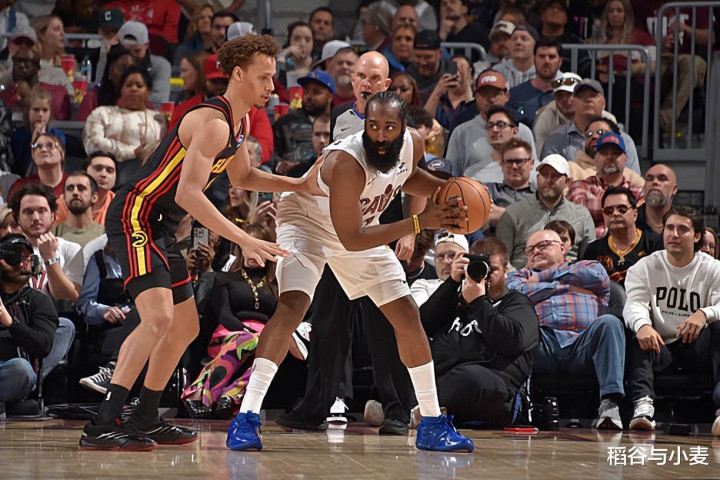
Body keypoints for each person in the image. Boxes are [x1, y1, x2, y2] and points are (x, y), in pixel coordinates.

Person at [78, 34, 320, 452]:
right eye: (264, 77)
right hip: (137, 214)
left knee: (186, 326)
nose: (272, 86)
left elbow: (243, 177)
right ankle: (103, 421)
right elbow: (189, 194)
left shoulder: (239, 123)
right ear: (238, 74)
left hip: (161, 225)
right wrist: (244, 238)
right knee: (158, 319)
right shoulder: (214, 123)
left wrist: (297, 183)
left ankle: (145, 416)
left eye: (273, 78)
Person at [227, 91, 474, 453]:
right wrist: (420, 221)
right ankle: (246, 417)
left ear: (403, 127)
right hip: (307, 222)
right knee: (293, 306)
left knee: (406, 313)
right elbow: (352, 239)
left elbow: (407, 177)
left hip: (357, 226)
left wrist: (450, 191)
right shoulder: (346, 162)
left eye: (389, 127)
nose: (380, 135)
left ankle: (433, 423)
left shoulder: (412, 144)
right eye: (373, 126)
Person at [507, 229, 626, 430]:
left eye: (542, 245)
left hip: (585, 343)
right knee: (519, 329)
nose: (536, 251)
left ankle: (609, 407)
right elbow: (516, 292)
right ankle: (521, 406)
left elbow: (597, 277)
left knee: (610, 323)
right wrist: (567, 287)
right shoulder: (520, 275)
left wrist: (546, 277)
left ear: (562, 248)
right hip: (542, 344)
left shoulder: (587, 266)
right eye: (530, 250)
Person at [419, 237, 539, 426]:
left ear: (506, 270)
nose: (485, 276)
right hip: (445, 378)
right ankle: (421, 408)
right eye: (478, 268)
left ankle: (419, 409)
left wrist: (478, 302)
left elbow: (513, 341)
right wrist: (452, 282)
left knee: (467, 378)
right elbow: (423, 325)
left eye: (492, 270)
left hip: (493, 386)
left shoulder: (517, 303)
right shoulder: (456, 300)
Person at [623, 206, 720, 435]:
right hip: (660, 347)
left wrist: (704, 314)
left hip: (698, 347)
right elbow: (634, 304)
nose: (674, 234)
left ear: (697, 236)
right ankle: (643, 407)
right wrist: (642, 325)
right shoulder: (645, 266)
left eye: (682, 229)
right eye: (669, 228)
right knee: (638, 331)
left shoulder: (713, 268)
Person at [496, 154, 595, 270]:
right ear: (537, 177)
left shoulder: (582, 215)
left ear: (568, 182)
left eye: (555, 176)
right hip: (523, 276)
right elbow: (501, 259)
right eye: (544, 174)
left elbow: (589, 261)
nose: (548, 180)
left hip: (568, 277)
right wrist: (518, 277)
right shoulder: (514, 213)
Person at [0, 233, 60, 416]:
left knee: (21, 369)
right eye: (14, 257)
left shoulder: (38, 300)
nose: (21, 264)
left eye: (26, 258)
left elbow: (43, 345)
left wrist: (11, 323)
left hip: (11, 371)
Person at [82, 66, 166, 185]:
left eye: (139, 86)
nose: (134, 89)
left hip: (150, 177)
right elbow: (93, 144)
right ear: (121, 90)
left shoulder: (158, 119)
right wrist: (132, 152)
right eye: (128, 85)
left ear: (148, 91)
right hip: (108, 174)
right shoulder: (102, 113)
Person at [445, 70, 537, 176]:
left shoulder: (523, 131)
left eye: (496, 94)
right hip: (473, 185)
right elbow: (451, 174)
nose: (491, 99)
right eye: (485, 94)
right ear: (476, 97)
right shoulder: (461, 132)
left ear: (506, 96)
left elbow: (533, 172)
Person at [540, 78, 641, 175]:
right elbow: (548, 178)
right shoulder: (555, 140)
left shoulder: (624, 140)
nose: (588, 99)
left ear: (603, 103)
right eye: (581, 96)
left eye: (593, 95)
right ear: (573, 103)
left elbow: (633, 180)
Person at [566, 132, 645, 238]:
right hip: (590, 245)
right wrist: (624, 209)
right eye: (604, 153)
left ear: (625, 159)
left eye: (615, 153)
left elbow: (643, 216)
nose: (610, 157)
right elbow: (578, 212)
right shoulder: (579, 187)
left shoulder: (639, 191)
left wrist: (599, 207)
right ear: (595, 158)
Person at [582, 186, 663, 285]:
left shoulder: (656, 244)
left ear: (635, 214)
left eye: (622, 209)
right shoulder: (593, 250)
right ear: (603, 215)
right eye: (609, 211)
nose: (615, 214)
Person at [272, 70, 334, 173]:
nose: (309, 96)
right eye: (306, 91)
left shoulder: (338, 121)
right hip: (291, 176)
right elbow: (271, 153)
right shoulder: (285, 122)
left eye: (316, 92)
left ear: (330, 97)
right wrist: (280, 165)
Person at [569, 116, 644, 188]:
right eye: (589, 134)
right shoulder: (572, 169)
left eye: (600, 132)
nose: (594, 137)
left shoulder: (631, 177)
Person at [10, 86, 66, 178]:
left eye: (45, 110)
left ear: (50, 112)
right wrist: (34, 141)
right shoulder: (17, 136)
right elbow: (23, 167)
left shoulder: (58, 135)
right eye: (36, 110)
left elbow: (57, 164)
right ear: (27, 111)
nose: (40, 114)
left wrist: (42, 137)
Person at [506, 38, 563, 127]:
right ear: (534, 60)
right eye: (541, 56)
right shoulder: (515, 94)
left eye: (551, 57)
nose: (546, 61)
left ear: (560, 62)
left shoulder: (567, 96)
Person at [486, 137, 536, 229]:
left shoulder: (539, 196)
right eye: (509, 162)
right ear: (502, 164)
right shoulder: (487, 191)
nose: (514, 166)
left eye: (519, 161)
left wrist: (500, 214)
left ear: (531, 163)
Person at [117, 21, 172, 104]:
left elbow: (159, 100)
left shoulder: (160, 65)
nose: (131, 56)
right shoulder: (110, 62)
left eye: (137, 51)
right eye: (127, 51)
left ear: (146, 45)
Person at [410, 232, 468, 307]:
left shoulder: (477, 286)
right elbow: (423, 314)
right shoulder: (422, 285)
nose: (446, 261)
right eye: (440, 256)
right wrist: (452, 282)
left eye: (453, 255)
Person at [52, 172, 105, 248]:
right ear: (64, 197)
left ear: (94, 197)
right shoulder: (53, 235)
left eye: (81, 188)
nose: (75, 192)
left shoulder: (105, 235)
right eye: (70, 189)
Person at [405, 30, 455, 104]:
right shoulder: (408, 75)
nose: (422, 62)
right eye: (418, 56)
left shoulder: (452, 70)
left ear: (440, 53)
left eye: (428, 57)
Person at [493, 24, 539, 89]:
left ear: (536, 45)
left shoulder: (545, 72)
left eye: (524, 39)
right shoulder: (497, 71)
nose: (518, 42)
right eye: (514, 39)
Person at [636, 164, 677, 235]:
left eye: (662, 179)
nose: (655, 182)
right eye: (649, 179)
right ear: (644, 187)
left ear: (674, 189)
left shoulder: (684, 222)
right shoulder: (629, 221)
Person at [82, 152, 117, 226]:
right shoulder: (65, 201)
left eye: (109, 171)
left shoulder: (120, 206)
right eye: (98, 169)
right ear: (84, 173)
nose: (103, 174)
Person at [276, 21, 314, 88]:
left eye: (307, 40)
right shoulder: (283, 65)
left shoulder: (317, 67)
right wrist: (285, 53)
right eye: (297, 39)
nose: (302, 44)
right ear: (289, 41)